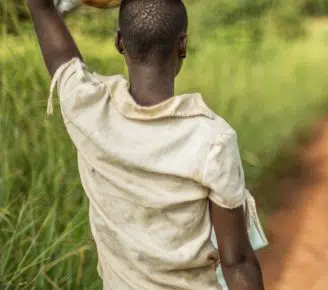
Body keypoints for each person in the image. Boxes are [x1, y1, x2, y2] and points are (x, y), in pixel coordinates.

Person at [26, 0, 266, 288]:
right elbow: (237, 262)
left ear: (119, 42)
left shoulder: (90, 111)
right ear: (182, 46)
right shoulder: (212, 140)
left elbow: (58, 52)